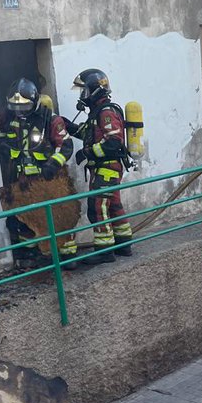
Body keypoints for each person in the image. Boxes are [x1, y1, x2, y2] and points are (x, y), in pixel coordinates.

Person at [0, 78, 77, 269]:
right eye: (15, 107)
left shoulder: (50, 119)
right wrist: (4, 145)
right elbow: (0, 131)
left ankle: (68, 255)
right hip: (22, 180)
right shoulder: (10, 118)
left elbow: (66, 145)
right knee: (25, 218)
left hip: (48, 180)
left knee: (58, 216)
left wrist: (53, 166)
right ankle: (33, 254)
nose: (19, 111)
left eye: (24, 106)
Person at [69, 68, 133, 264]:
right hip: (105, 168)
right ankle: (123, 244)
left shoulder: (106, 113)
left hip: (107, 167)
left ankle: (105, 251)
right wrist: (68, 126)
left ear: (94, 90)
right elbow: (89, 133)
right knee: (113, 204)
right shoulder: (96, 113)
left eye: (84, 91)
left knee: (97, 207)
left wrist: (87, 152)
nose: (82, 96)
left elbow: (113, 142)